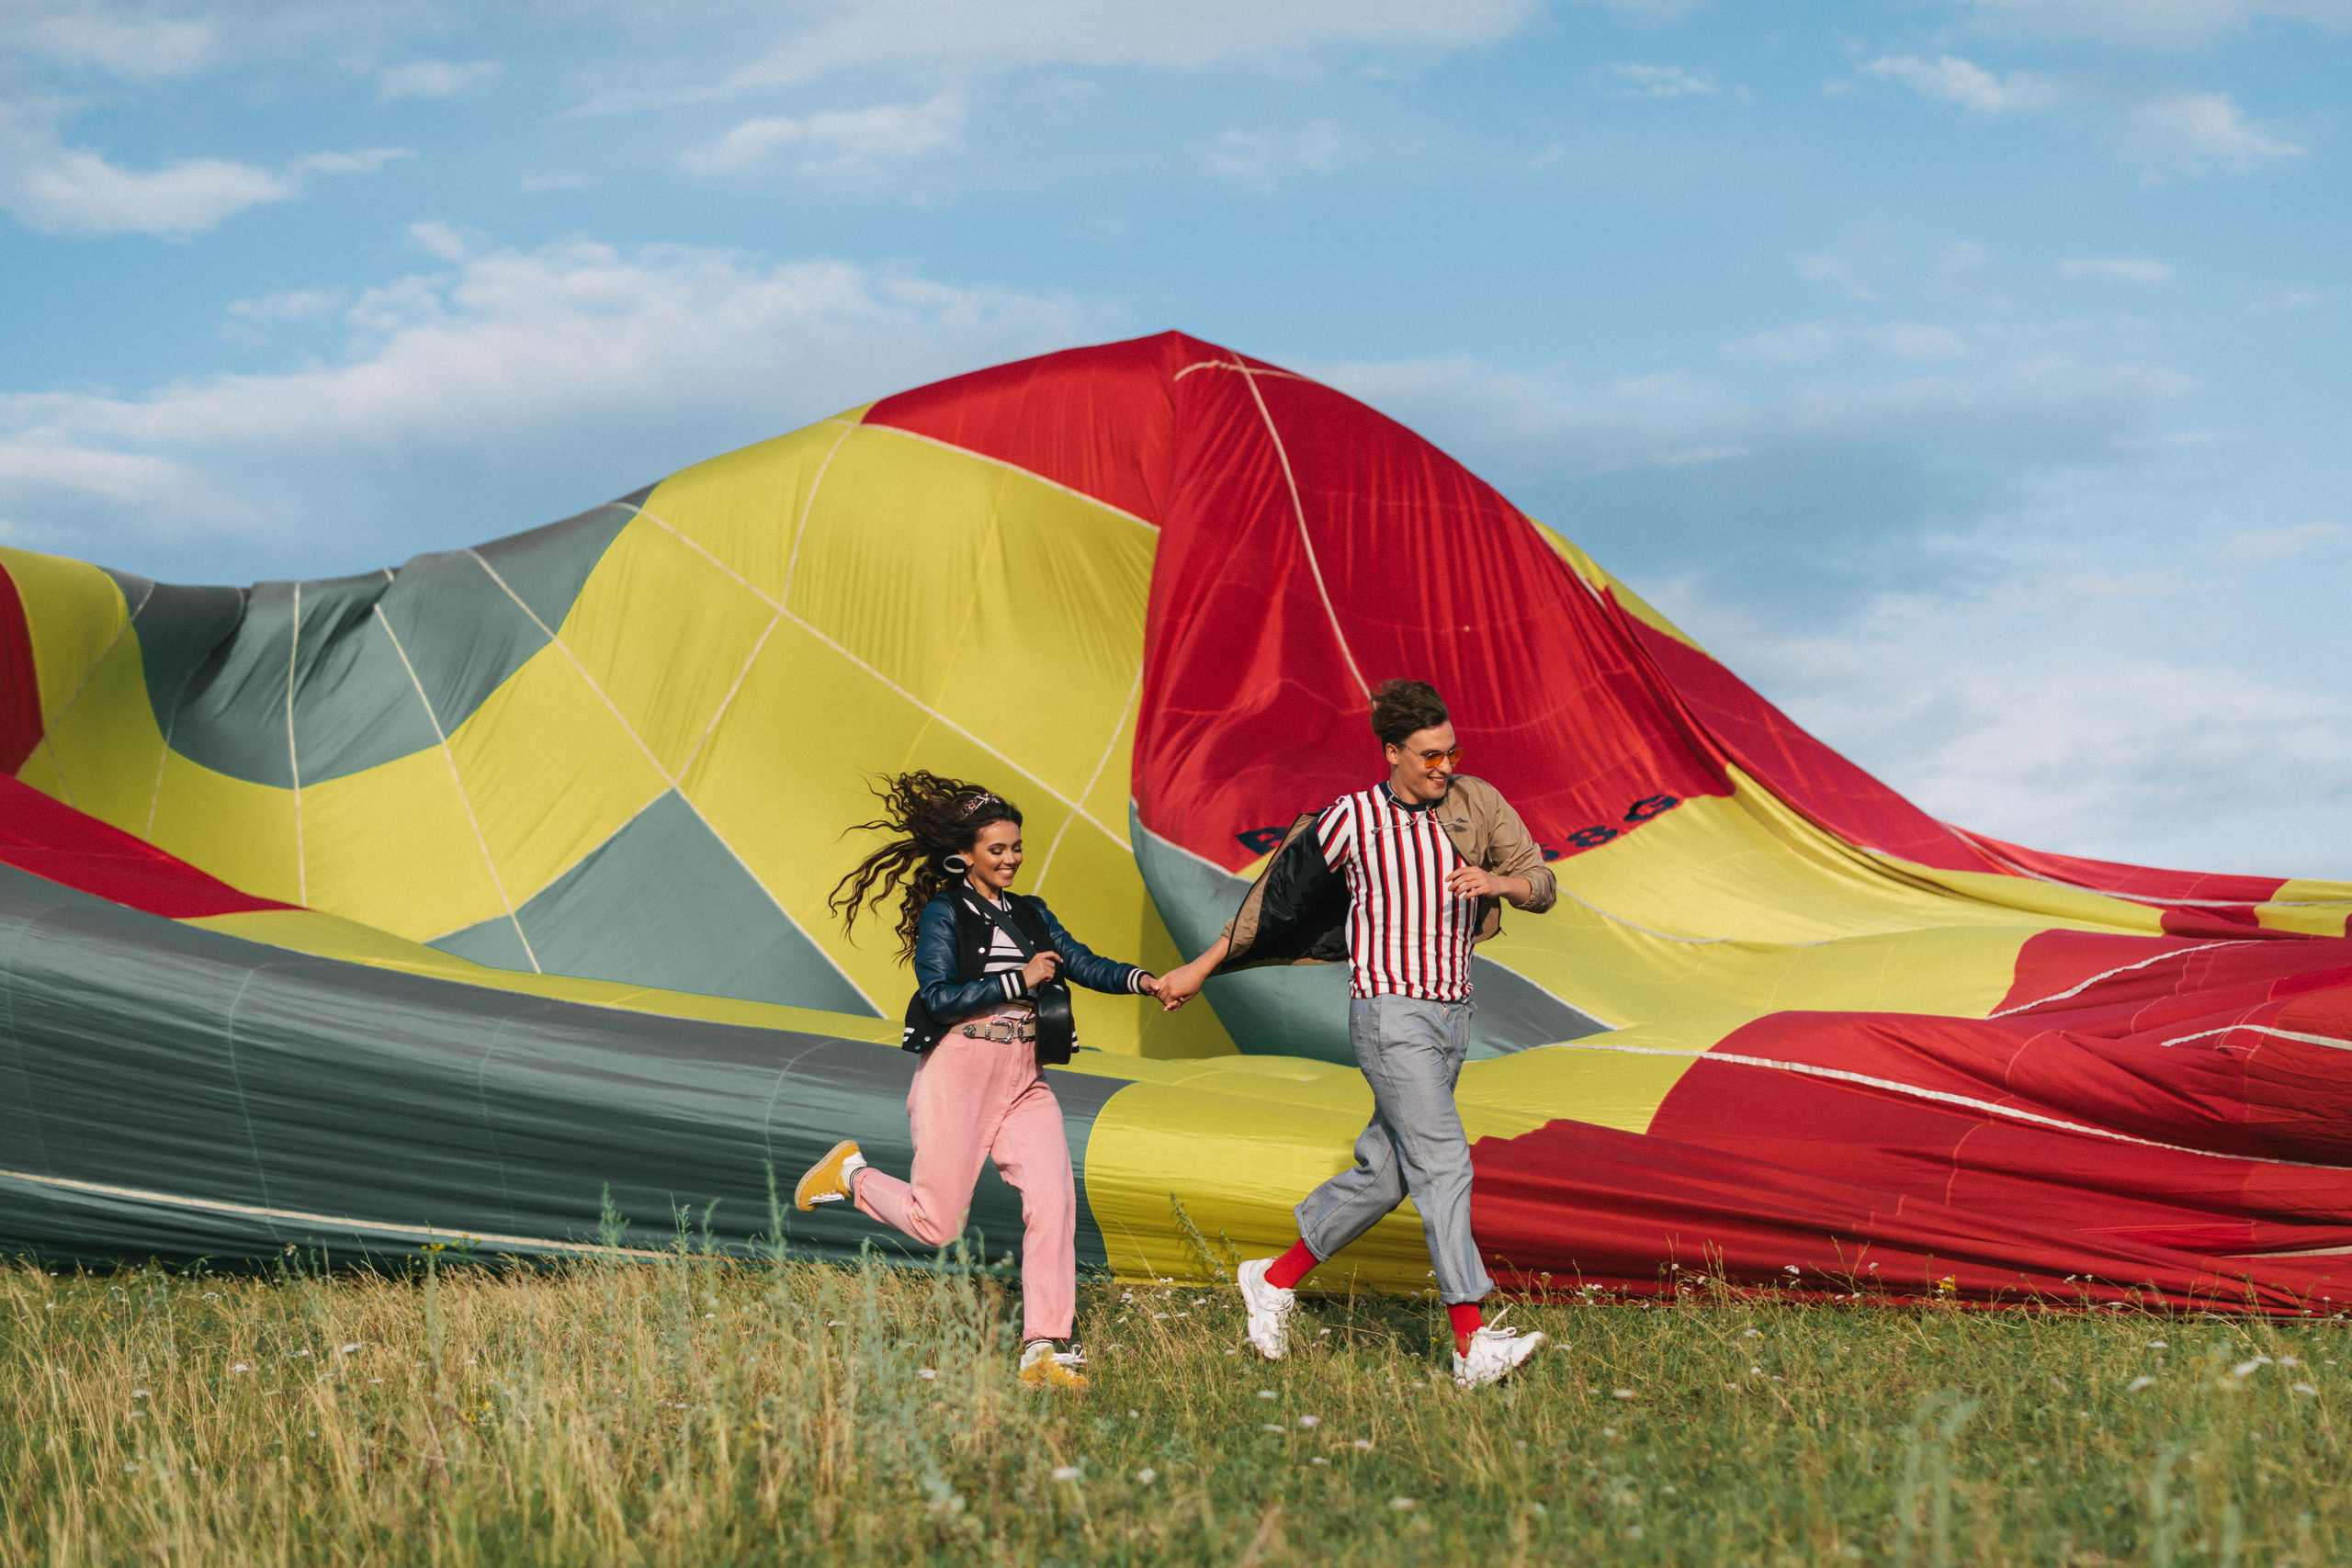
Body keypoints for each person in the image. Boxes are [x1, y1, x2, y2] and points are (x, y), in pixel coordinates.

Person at [1155, 679, 1556, 1388]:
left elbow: (1541, 882)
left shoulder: (1476, 803)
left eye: (1450, 752)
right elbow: (1273, 903)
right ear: (1393, 752)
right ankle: (1471, 1342)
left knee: (1391, 1173)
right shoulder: (1351, 820)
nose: (1443, 767)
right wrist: (1203, 966)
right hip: (1389, 1013)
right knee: (1444, 1162)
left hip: (1452, 1013)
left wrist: (1500, 886)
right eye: (1429, 756)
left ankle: (1273, 1279)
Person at [795, 772, 1159, 1392]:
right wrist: (1018, 981)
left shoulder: (1030, 913)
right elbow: (937, 996)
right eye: (998, 849)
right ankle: (852, 1174)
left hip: (1023, 1074)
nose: (1012, 858)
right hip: (959, 1070)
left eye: (1017, 847)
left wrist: (1142, 981)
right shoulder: (945, 913)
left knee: (1055, 1198)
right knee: (938, 1224)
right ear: (964, 855)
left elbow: (1081, 960)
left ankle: (1043, 1347)